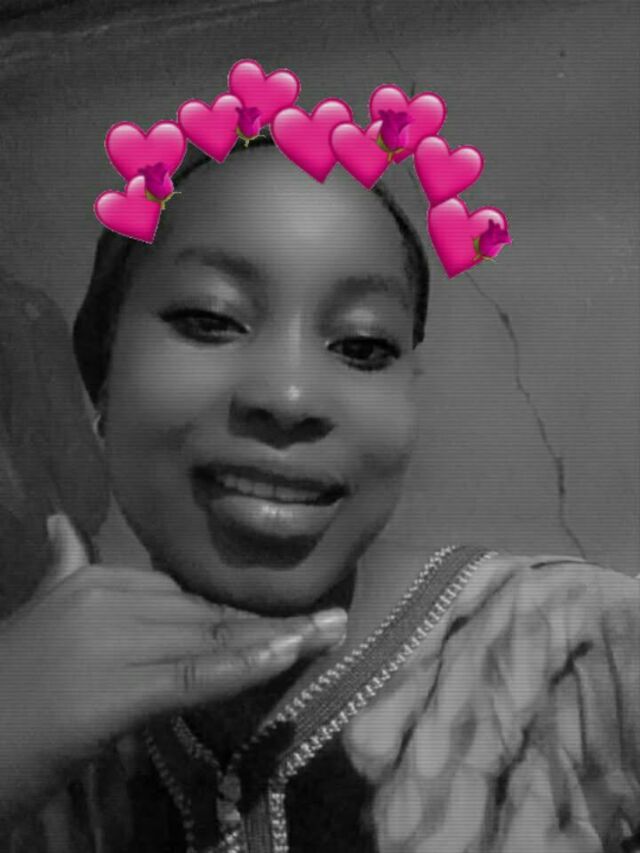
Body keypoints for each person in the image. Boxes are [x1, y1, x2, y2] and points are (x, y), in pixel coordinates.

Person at [0, 134, 638, 853]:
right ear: (101, 372)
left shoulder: (589, 652)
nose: (290, 396)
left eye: (363, 347)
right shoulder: (42, 736)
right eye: (210, 319)